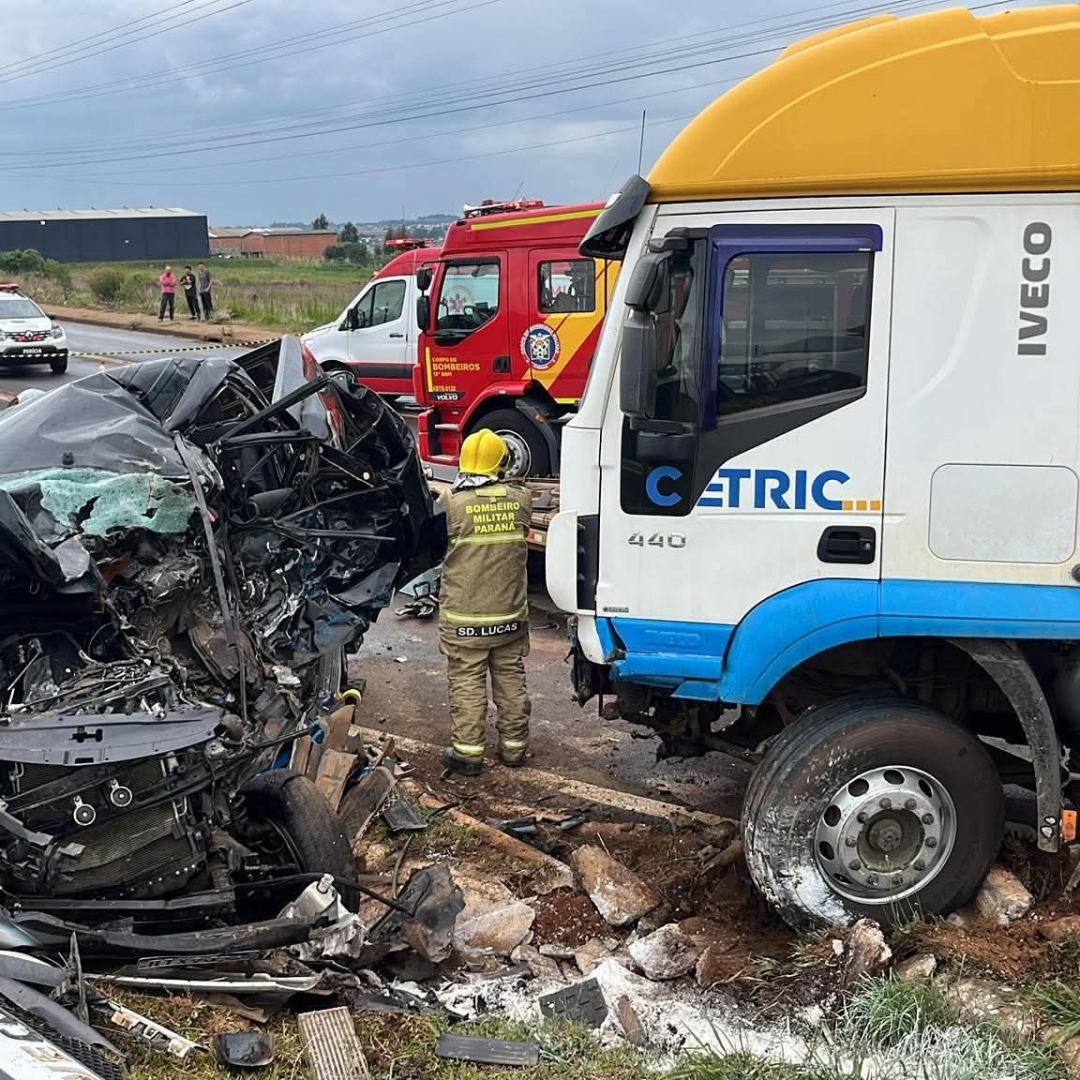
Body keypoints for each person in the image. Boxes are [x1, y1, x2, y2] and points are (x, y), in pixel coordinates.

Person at [438, 430, 533, 776]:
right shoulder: (522, 500)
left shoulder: (451, 504)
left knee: (467, 680)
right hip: (509, 616)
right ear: (502, 463)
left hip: (465, 619)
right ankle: (514, 748)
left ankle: (468, 754)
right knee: (510, 678)